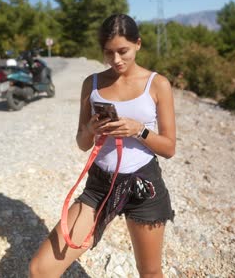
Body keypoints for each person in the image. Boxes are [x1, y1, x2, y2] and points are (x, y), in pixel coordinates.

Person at [29, 14, 176, 278]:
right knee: (41, 269)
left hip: (145, 185)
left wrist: (139, 130)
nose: (116, 60)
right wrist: (90, 130)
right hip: (100, 186)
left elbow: (169, 148)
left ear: (138, 44)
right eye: (109, 53)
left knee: (150, 272)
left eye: (123, 51)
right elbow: (81, 143)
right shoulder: (93, 84)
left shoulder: (158, 84)